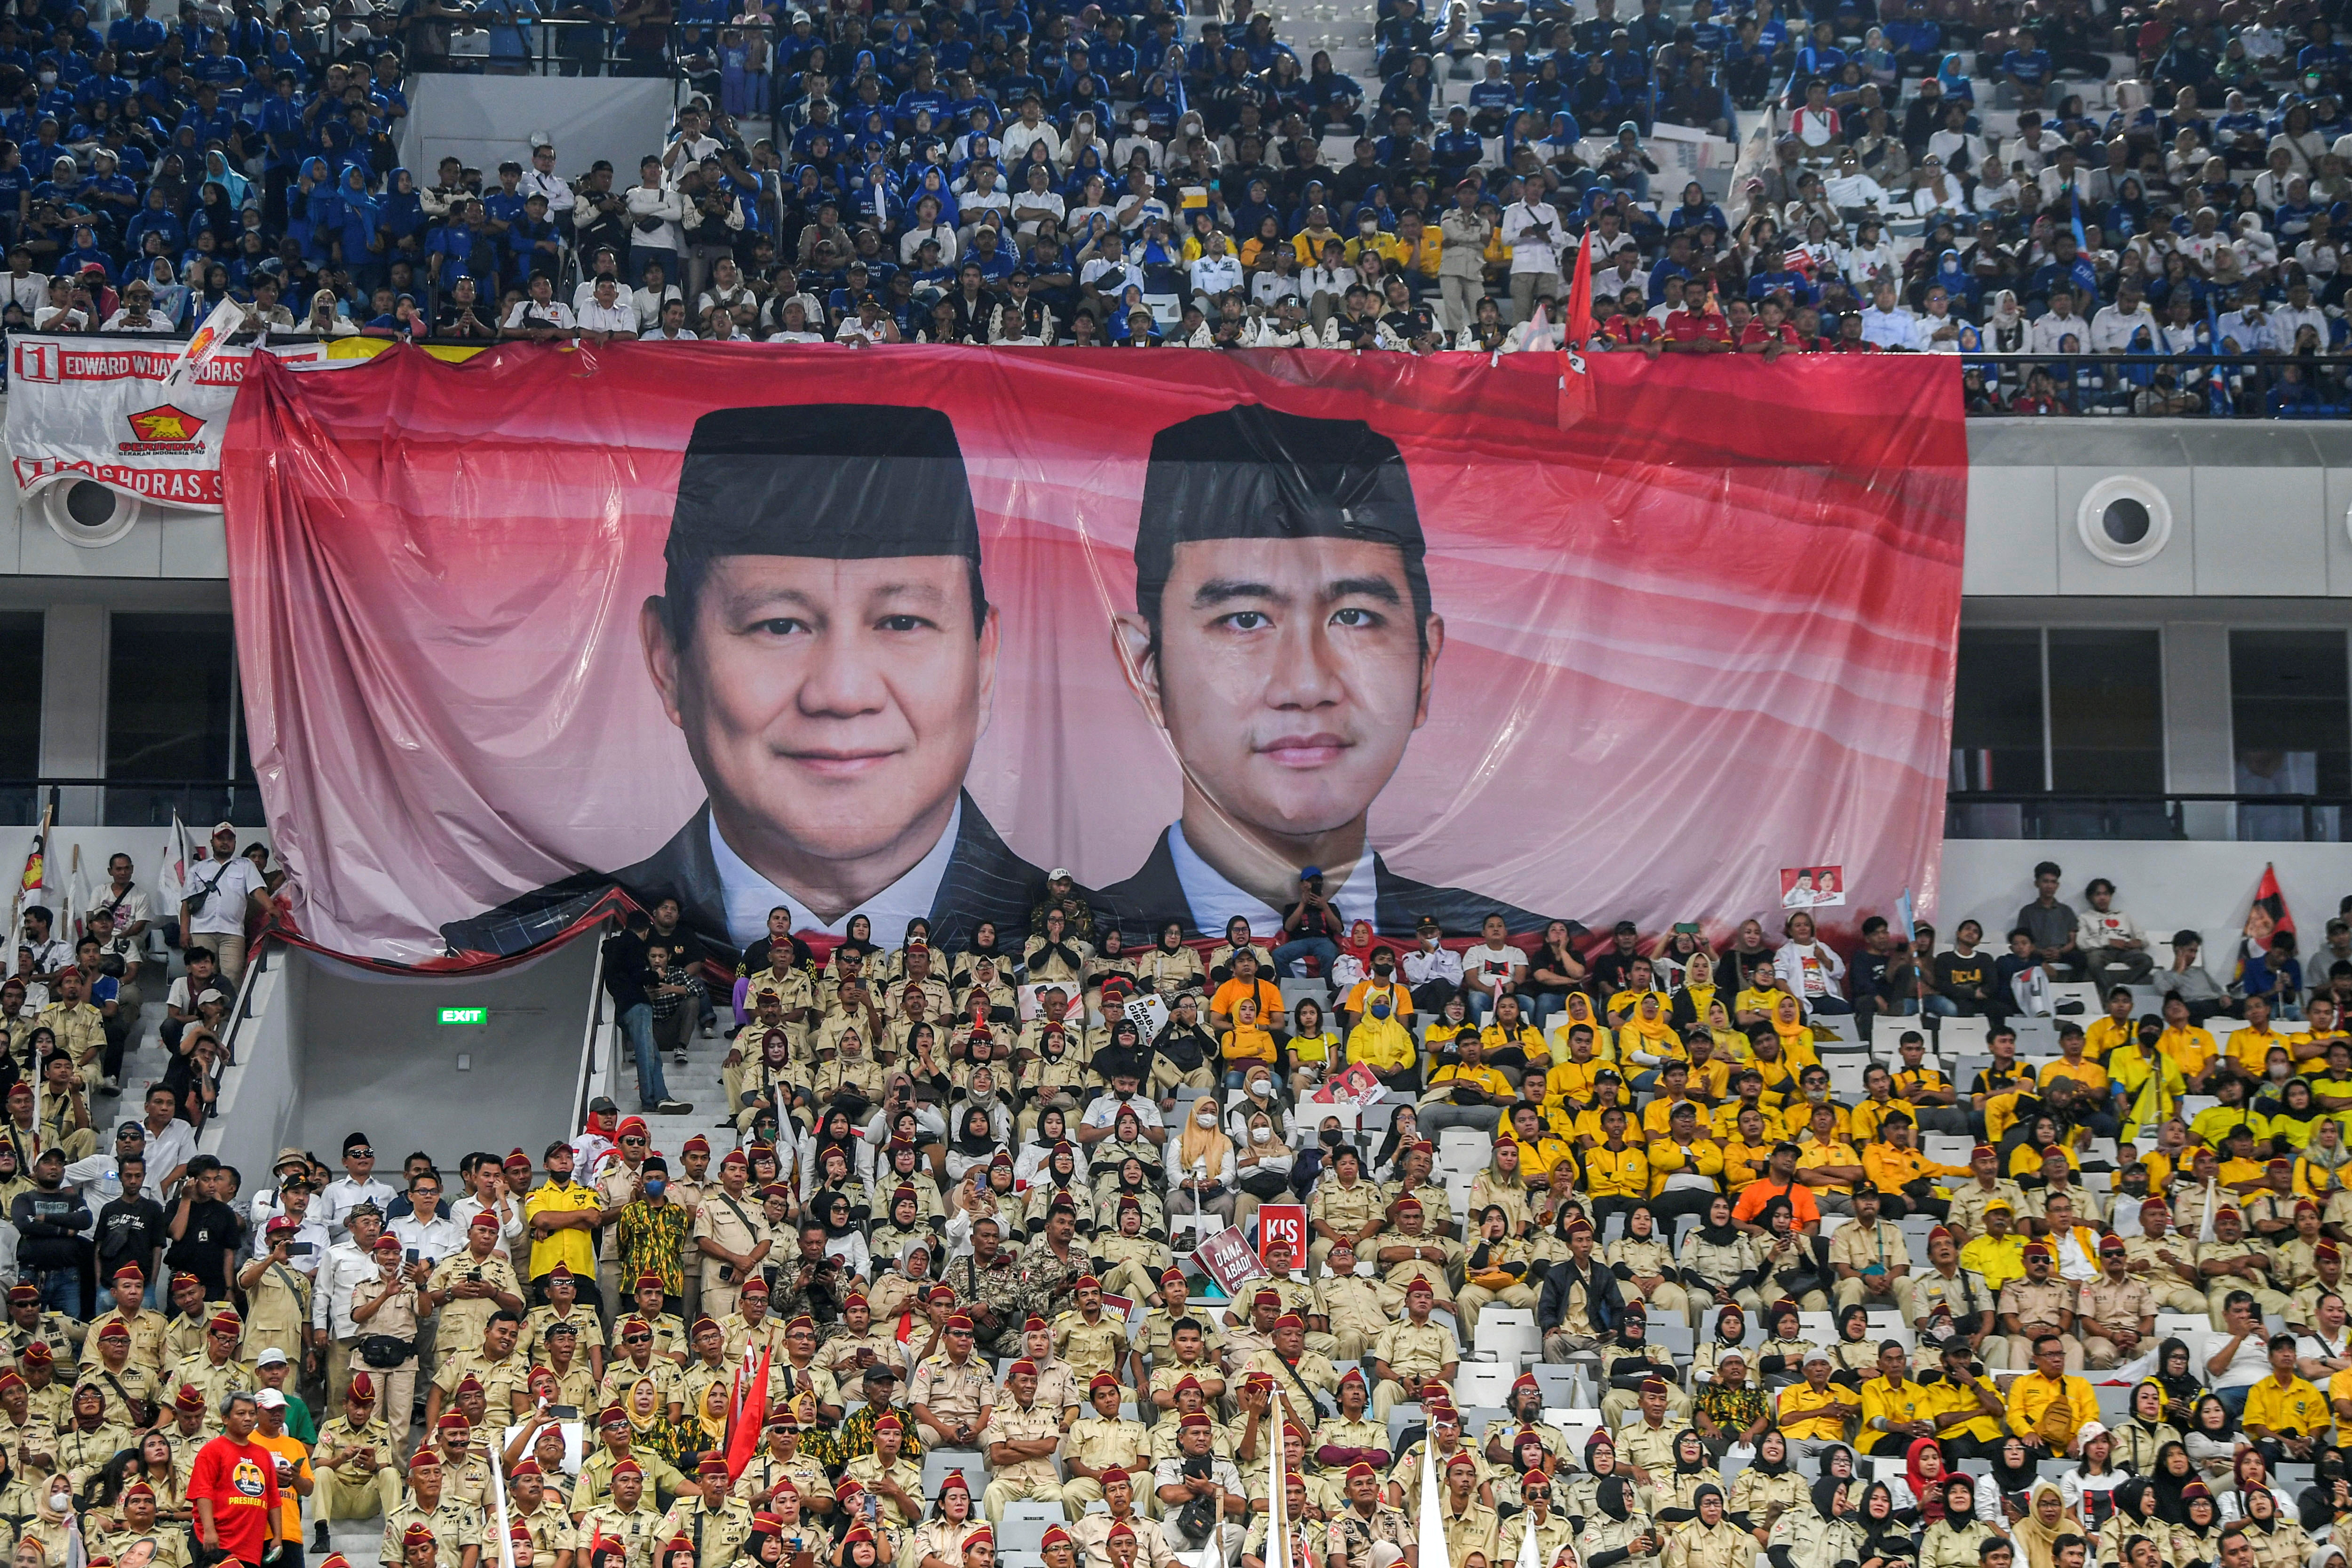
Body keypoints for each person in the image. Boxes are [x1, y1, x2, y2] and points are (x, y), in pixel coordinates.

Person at [445, 406, 1054, 962]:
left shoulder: (1076, 943)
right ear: (668, 660)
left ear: (984, 660)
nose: (842, 694)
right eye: (779, 625)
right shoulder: (522, 955)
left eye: (902, 622)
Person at [1101, 403, 1542, 939]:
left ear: (1425, 665)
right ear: (1147, 669)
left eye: (1354, 617)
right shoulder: (1086, 945)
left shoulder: (1526, 949)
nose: (1307, 686)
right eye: (1245, 619)